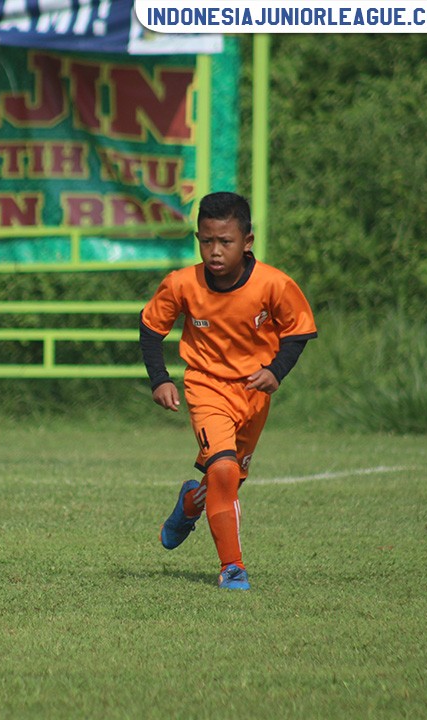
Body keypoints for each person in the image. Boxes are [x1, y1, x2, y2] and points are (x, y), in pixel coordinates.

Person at [140, 192, 317, 590]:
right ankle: (232, 567)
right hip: (206, 388)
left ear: (247, 242)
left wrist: (276, 372)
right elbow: (151, 327)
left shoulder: (273, 283)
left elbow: (298, 331)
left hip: (254, 395)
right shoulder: (182, 283)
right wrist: (160, 379)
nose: (215, 251)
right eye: (206, 241)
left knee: (228, 481)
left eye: (225, 242)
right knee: (222, 468)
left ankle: (190, 503)